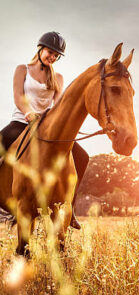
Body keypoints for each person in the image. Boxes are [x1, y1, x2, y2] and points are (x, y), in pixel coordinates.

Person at [0, 31, 88, 229]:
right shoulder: (22, 69)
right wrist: (29, 113)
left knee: (83, 157)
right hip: (21, 122)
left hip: (47, 128)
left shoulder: (58, 77)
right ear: (40, 49)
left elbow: (58, 106)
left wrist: (50, 119)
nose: (53, 57)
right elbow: (18, 96)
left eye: (57, 55)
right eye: (50, 52)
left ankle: (70, 208)